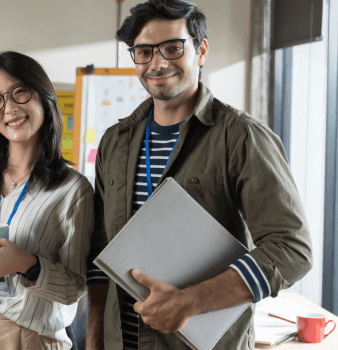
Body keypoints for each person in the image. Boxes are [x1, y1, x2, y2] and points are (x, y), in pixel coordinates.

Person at [86, 1, 313, 349]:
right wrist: (94, 337)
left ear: (201, 50)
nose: (157, 63)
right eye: (143, 52)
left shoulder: (242, 137)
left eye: (173, 48)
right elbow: (101, 249)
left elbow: (291, 250)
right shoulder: (115, 142)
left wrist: (191, 300)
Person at [0, 51, 95, 350]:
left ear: (42, 97)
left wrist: (26, 263)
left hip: (29, 336)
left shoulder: (72, 189)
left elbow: (75, 286)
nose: (9, 108)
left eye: (19, 93)